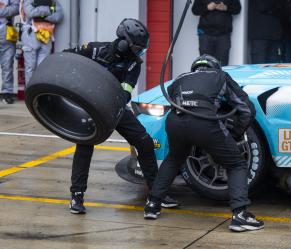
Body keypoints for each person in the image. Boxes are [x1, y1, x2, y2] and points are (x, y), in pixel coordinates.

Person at [64, 19, 178, 214]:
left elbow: (126, 92)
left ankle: (156, 194)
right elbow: (65, 59)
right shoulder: (93, 49)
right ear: (124, 42)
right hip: (89, 107)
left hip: (115, 106)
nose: (140, 52)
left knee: (144, 142)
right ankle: (77, 196)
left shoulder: (134, 63)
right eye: (137, 47)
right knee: (85, 145)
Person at [144, 54, 264, 232]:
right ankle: (240, 215)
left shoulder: (180, 78)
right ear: (215, 67)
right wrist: (235, 133)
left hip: (175, 123)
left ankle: (152, 204)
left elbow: (173, 98)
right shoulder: (221, 76)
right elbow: (247, 109)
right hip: (204, 122)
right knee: (236, 163)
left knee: (174, 159)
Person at [20, 0, 63, 85]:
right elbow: (30, 13)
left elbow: (59, 16)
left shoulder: (53, 1)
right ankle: (30, 94)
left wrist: (42, 16)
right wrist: (49, 10)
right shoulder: (29, 1)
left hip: (47, 38)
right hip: (31, 36)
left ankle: (39, 93)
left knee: (43, 68)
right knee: (30, 67)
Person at [192, 0, 241, 66]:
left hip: (224, 34)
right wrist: (207, 8)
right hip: (205, 34)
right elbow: (195, 10)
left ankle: (220, 76)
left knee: (222, 64)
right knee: (205, 64)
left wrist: (226, 8)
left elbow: (237, 9)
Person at [0, 0, 19, 104]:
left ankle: (7, 93)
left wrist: (1, 11)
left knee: (7, 65)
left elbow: (17, 9)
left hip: (7, 34)